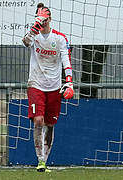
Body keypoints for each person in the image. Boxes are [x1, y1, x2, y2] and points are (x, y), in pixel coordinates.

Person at [22, 3, 74, 172]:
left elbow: (66, 60)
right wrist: (33, 29)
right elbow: (25, 42)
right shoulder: (34, 35)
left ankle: (46, 158)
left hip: (54, 86)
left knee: (50, 124)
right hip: (36, 83)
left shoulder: (59, 38)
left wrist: (69, 81)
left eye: (45, 19)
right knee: (38, 120)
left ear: (50, 19)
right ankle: (40, 160)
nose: (43, 22)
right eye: (40, 19)